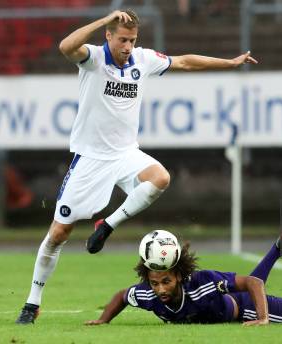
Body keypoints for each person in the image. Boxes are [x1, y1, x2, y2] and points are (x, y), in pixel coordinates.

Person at [15, 9, 258, 324]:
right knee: (59, 233)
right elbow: (65, 46)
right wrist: (103, 19)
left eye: (131, 40)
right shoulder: (93, 58)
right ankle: (32, 303)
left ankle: (108, 225)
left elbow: (183, 61)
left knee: (160, 177)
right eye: (122, 39)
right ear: (109, 36)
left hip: (125, 153)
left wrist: (229, 62)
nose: (127, 46)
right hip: (90, 158)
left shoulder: (142, 60)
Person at [84, 232, 282, 326]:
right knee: (243, 283)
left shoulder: (201, 283)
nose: (160, 289)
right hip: (232, 302)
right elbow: (122, 296)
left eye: (166, 281)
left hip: (242, 308)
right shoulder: (147, 294)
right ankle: (278, 248)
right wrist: (102, 320)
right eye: (155, 283)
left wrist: (263, 318)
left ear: (179, 275)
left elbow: (252, 284)